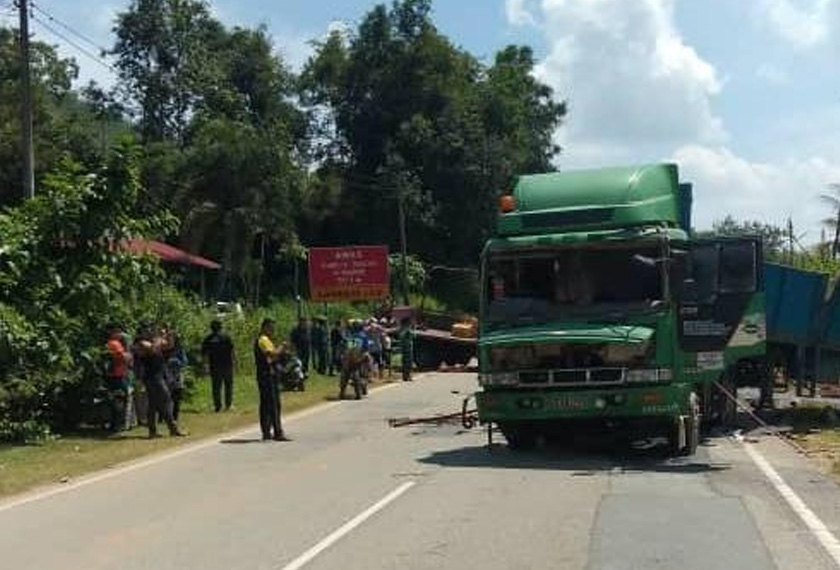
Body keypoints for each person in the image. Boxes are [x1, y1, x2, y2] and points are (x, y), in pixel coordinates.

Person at [133, 324, 185, 438]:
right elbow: (152, 348)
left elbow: (169, 346)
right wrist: (160, 338)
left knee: (153, 405)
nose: (150, 331)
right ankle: (173, 428)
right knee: (166, 400)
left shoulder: (152, 341)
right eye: (147, 329)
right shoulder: (140, 343)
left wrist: (170, 336)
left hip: (158, 376)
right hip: (153, 377)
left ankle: (153, 431)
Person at [255, 318, 290, 441]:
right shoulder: (263, 340)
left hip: (267, 374)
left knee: (267, 404)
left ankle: (267, 431)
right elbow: (271, 354)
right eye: (270, 328)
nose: (272, 330)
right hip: (266, 376)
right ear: (264, 327)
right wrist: (282, 347)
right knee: (273, 404)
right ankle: (277, 432)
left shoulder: (267, 340)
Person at [201, 319, 236, 412]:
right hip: (227, 365)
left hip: (215, 366)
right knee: (228, 385)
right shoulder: (226, 337)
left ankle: (218, 406)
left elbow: (204, 354)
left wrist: (205, 366)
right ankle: (228, 405)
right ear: (221, 327)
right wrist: (235, 361)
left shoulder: (208, 339)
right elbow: (232, 350)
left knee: (216, 387)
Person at [105, 324, 132, 433]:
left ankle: (116, 424)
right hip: (117, 376)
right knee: (119, 400)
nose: (121, 334)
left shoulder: (116, 343)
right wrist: (128, 353)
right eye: (118, 332)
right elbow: (125, 357)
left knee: (118, 399)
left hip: (118, 374)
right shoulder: (114, 343)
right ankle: (117, 425)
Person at [162, 327, 188, 422]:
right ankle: (163, 417)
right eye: (169, 338)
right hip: (165, 375)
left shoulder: (180, 349)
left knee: (176, 396)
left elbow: (184, 362)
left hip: (176, 375)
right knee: (165, 396)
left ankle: (175, 416)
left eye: (173, 338)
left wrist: (177, 362)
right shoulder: (163, 349)